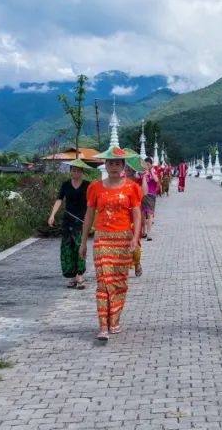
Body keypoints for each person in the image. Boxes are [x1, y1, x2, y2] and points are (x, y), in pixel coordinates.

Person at [80, 146, 142, 341]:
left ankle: (114, 321)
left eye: (117, 163)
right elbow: (89, 215)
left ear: (123, 166)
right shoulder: (95, 188)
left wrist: (135, 238)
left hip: (123, 240)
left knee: (119, 283)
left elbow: (137, 215)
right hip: (102, 239)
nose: (114, 167)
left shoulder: (132, 187)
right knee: (103, 282)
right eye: (110, 163)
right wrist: (83, 242)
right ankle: (103, 326)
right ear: (105, 165)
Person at [47, 159, 92, 289]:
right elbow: (59, 200)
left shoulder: (88, 185)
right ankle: (72, 276)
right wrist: (52, 215)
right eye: (73, 170)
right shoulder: (66, 185)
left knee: (80, 247)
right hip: (68, 221)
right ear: (70, 171)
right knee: (68, 248)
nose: (75, 173)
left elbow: (92, 203)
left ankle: (80, 275)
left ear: (82, 172)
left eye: (78, 170)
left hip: (82, 221)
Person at [123, 152, 144, 277]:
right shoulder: (120, 181)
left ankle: (137, 262)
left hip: (135, 214)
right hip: (123, 214)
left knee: (135, 240)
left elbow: (144, 193)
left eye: (129, 167)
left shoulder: (138, 181)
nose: (127, 169)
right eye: (125, 166)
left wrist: (145, 175)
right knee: (122, 241)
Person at [138, 156, 159, 240]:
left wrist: (151, 172)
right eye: (145, 164)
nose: (146, 166)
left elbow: (156, 180)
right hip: (142, 195)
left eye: (148, 164)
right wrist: (143, 174)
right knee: (142, 215)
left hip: (151, 196)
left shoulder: (154, 172)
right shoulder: (141, 173)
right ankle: (144, 231)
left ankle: (149, 233)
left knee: (150, 214)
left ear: (151, 165)